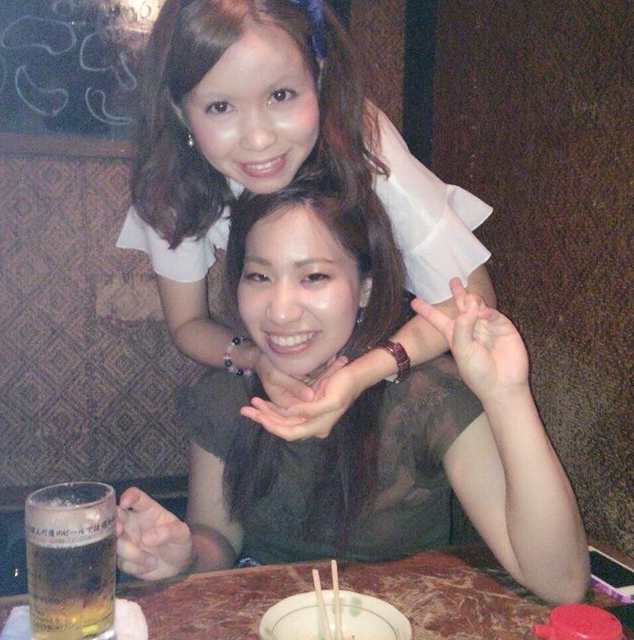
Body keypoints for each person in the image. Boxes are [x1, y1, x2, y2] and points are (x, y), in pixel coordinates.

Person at [117, 180, 589, 604]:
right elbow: (218, 540)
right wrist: (183, 554)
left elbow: (561, 582)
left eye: (314, 277)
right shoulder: (227, 395)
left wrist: (508, 394)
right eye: (259, 276)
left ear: (364, 289)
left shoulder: (427, 397)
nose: (280, 311)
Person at [116, 0, 496, 439]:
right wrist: (255, 358)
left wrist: (362, 373)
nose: (259, 139)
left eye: (280, 96)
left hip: (394, 345)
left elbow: (471, 300)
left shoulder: (361, 137)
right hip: (280, 353)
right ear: (180, 110)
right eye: (220, 107)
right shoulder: (170, 179)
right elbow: (187, 324)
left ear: (319, 76)